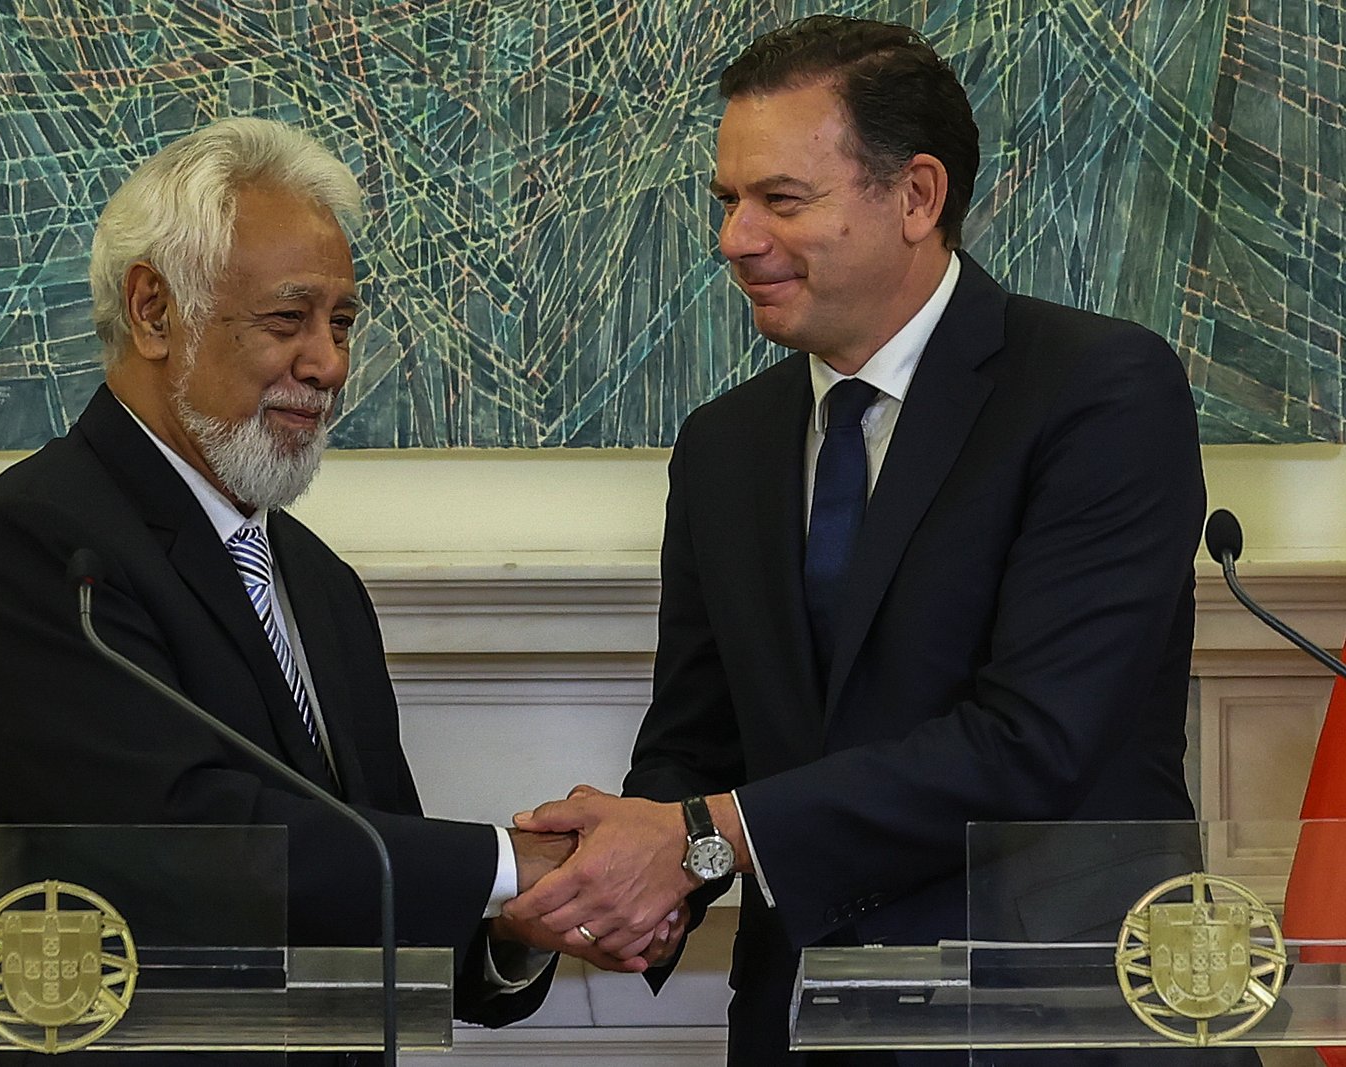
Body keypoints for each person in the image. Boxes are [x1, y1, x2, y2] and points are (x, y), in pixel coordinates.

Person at [508, 16, 1257, 1066]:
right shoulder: (724, 444)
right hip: (805, 1024)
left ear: (914, 196)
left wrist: (696, 834)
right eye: (727, 201)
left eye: (780, 199)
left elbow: (1032, 740)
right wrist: (624, 871)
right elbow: (699, 736)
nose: (735, 238)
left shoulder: (1096, 390)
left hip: (1048, 1023)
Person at [0, 117, 625, 1066]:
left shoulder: (321, 583)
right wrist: (503, 862)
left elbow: (369, 868)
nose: (328, 364)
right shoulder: (47, 540)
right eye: (289, 320)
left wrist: (508, 924)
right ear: (154, 311)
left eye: (342, 323)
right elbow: (179, 843)